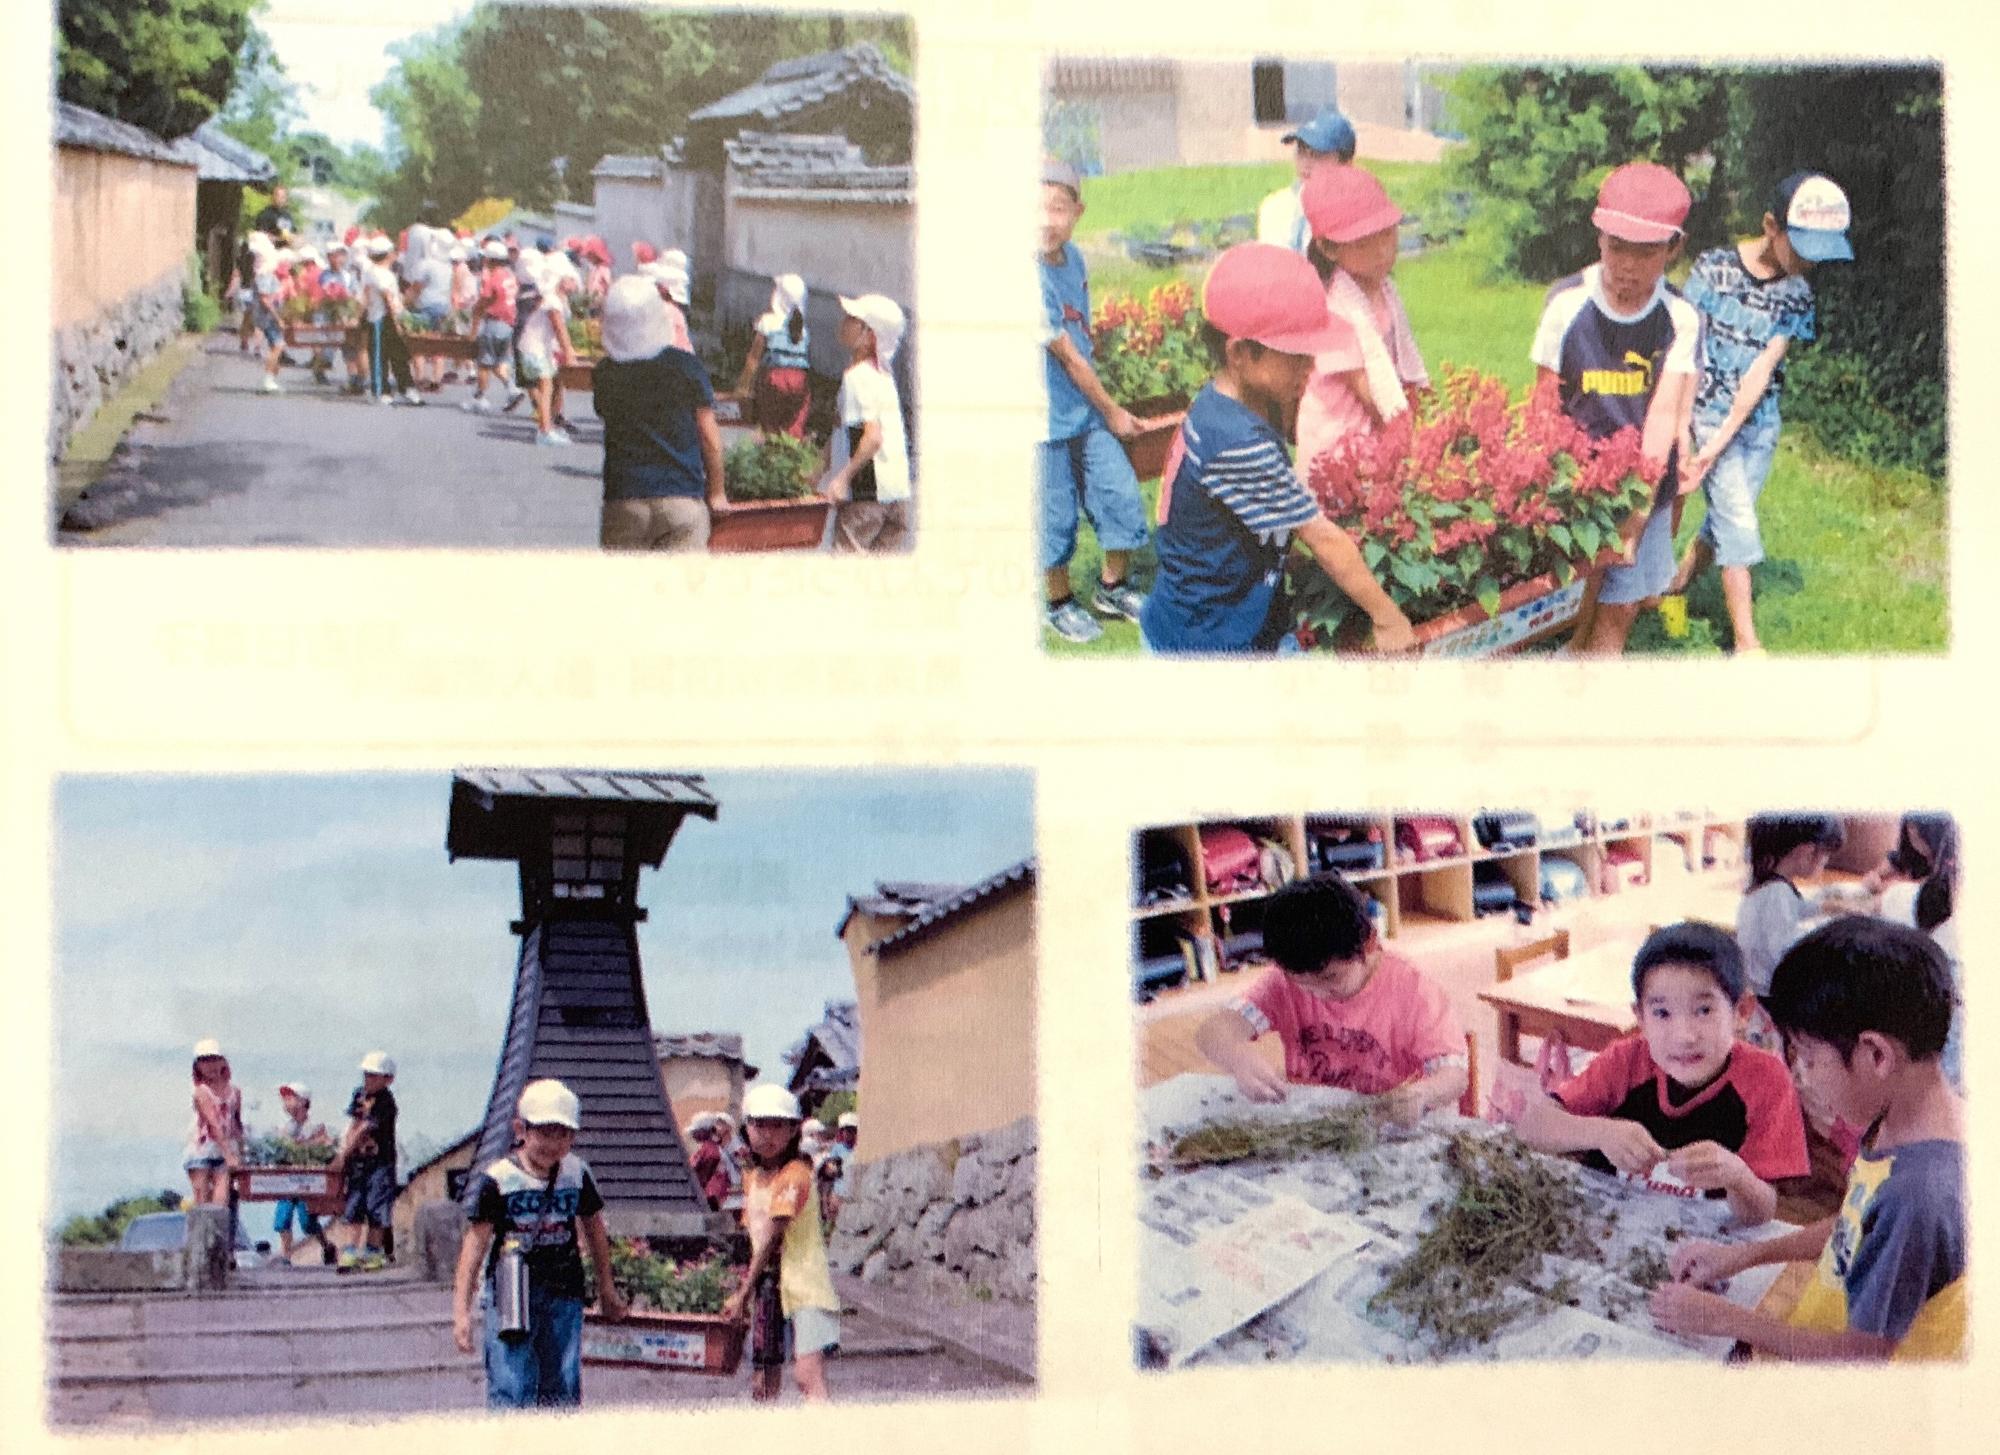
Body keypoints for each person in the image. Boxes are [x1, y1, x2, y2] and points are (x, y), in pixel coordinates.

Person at [1651, 919, 1965, 1359]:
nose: (1803, 1077)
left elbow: (1862, 1356)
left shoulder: (1917, 1196)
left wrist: (1727, 1319)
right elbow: (1854, 1227)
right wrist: (1741, 1257)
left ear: (1875, 1055)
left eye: (1811, 1058)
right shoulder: (1903, 1114)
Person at [1136, 243, 1415, 655]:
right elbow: (1322, 538)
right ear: (1241, 354)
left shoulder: (1230, 406)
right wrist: (1388, 620)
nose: (1311, 366)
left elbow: (1248, 517)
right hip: (1209, 643)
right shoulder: (1237, 442)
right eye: (1296, 356)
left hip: (1231, 617)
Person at [1667, 173, 1853, 654]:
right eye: (1803, 247)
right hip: (1708, 412)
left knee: (1731, 515)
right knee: (1740, 528)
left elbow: (1762, 372)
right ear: (1771, 225)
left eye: (1820, 252)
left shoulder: (1799, 294)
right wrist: (1693, 433)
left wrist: (1720, 442)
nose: (1810, 262)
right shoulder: (1713, 269)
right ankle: (1747, 644)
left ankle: (1681, 575)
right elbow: (1685, 349)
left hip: (1758, 424)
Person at [1514, 922, 1807, 1225]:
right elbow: (1530, 1127)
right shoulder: (1625, 1060)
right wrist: (1601, 1132)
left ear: (1741, 1012)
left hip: (1704, 1244)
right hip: (1613, 1226)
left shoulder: (1766, 1078)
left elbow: (1760, 1214)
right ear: (1640, 1017)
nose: (1684, 1036)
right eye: (1662, 1013)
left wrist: (1738, 1177)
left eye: (1704, 1011)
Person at [1529, 161, 1700, 654]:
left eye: (1646, 253)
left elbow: (1662, 420)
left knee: (1621, 608)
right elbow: (1544, 407)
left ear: (1674, 247)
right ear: (1598, 237)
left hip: (1641, 487)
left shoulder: (1679, 318)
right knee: (1578, 600)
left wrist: (1635, 521)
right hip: (1575, 488)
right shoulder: (1566, 305)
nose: (1627, 265)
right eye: (1616, 247)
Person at [1193, 875, 1465, 1122]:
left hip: (1388, 1126)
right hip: (1318, 1122)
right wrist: (1237, 1056)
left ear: (1369, 944)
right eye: (1303, 983)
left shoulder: (1414, 992)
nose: (1318, 994)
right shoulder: (1284, 982)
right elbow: (1212, 1031)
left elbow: (1454, 1077)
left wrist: (1421, 1095)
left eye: (1330, 978)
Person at [452, 1079, 628, 1408]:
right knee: (511, 1384)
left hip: (563, 1290)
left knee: (562, 1383)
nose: (554, 1143)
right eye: (545, 1132)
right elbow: (474, 1244)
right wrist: (461, 1311)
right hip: (511, 1292)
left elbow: (594, 1229)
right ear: (521, 1129)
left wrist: (606, 1286)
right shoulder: (500, 1178)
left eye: (564, 1134)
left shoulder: (576, 1173)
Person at [1040, 158, 1151, 642]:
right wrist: (1113, 411)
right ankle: (1058, 601)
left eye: (1058, 208)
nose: (1046, 219)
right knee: (1055, 514)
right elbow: (1066, 356)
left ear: (1078, 211)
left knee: (1119, 493)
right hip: (1041, 420)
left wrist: (1102, 406)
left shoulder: (1076, 260)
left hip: (1084, 413)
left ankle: (1112, 587)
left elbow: (1082, 336)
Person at [1295, 165, 1429, 473]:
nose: (1382, 249)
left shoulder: (1384, 291)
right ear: (1328, 248)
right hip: (1336, 452)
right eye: (1364, 241)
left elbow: (1399, 365)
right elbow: (1371, 393)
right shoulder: (1333, 309)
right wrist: (1414, 443)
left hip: (1375, 442)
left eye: (1387, 234)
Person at [720, 1085, 839, 1403]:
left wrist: (742, 1292)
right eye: (760, 1124)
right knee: (763, 1380)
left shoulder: (795, 1174)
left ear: (793, 1131)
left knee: (807, 1377)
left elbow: (773, 1236)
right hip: (770, 1284)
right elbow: (752, 1234)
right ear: (747, 1128)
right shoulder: (754, 1177)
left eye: (778, 1125)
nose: (768, 1134)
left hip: (805, 1285)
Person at [592, 274, 727, 550]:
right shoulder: (686, 367)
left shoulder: (605, 374)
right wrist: (717, 492)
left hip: (624, 499)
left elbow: (605, 413)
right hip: (681, 499)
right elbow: (709, 437)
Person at [1737, 813, 1849, 1038]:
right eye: (1825, 853)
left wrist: (1825, 905)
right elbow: (1784, 948)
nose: (1825, 861)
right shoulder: (1777, 893)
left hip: (1759, 989)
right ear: (1807, 852)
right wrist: (1824, 927)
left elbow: (1796, 908)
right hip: (1770, 996)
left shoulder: (1767, 886)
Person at [823, 294, 913, 553]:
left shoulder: (857, 377)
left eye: (854, 319)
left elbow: (872, 438)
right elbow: (845, 430)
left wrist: (842, 479)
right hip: (897, 496)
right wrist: (819, 470)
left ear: (869, 335)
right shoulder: (883, 375)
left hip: (865, 499)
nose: (844, 322)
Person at [1256, 107, 1357, 254]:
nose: (1306, 164)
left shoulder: (1359, 212)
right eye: (1301, 152)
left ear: (1346, 162)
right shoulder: (1277, 207)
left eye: (1317, 155)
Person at [332, 1051, 398, 1270]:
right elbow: (354, 1123)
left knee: (376, 1206)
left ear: (388, 1079)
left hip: (380, 1162)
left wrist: (343, 1155)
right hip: (358, 1162)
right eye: (366, 1075)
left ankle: (373, 1251)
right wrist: (345, 1150)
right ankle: (351, 1250)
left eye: (374, 1076)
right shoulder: (359, 1095)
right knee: (354, 1204)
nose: (368, 1080)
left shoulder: (386, 1103)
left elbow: (365, 1129)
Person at [735, 273, 813, 438]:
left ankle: (770, 456)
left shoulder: (768, 321)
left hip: (775, 378)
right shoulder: (802, 329)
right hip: (800, 380)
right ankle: (791, 457)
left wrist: (743, 385)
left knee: (770, 426)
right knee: (792, 429)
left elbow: (754, 358)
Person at [268, 1082, 336, 1263]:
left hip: (308, 1181)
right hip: (288, 1180)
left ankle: (326, 1245)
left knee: (307, 1222)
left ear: (303, 1101)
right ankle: (286, 1254)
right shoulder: (285, 1128)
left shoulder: (316, 1126)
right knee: (283, 1217)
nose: (286, 1102)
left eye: (291, 1098)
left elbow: (325, 1146)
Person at [516, 257, 579, 446]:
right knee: (546, 387)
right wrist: (569, 351)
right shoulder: (552, 301)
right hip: (534, 347)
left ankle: (547, 426)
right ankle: (545, 431)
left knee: (548, 387)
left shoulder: (558, 299)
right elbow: (559, 328)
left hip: (541, 347)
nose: (574, 283)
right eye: (570, 279)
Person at [361, 236, 421, 406]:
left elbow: (366, 294)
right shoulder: (380, 274)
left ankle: (404, 387)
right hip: (382, 318)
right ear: (388, 254)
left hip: (383, 317)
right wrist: (397, 320)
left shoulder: (373, 272)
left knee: (397, 354)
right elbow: (387, 298)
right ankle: (383, 391)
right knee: (383, 355)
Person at [184, 1038, 242, 1207]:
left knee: (220, 1202)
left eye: (214, 1059)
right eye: (204, 1061)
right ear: (198, 1066)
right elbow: (213, 1124)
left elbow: (236, 1124)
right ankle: (203, 1233)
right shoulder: (201, 1092)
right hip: (202, 1150)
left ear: (222, 1062)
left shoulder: (235, 1092)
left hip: (224, 1152)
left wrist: (241, 1152)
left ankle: (218, 1234)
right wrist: (228, 1154)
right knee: (202, 1202)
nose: (210, 1065)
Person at [464, 238, 520, 413]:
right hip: (508, 323)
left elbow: (484, 302)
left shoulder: (493, 279)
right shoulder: (510, 276)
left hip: (494, 323)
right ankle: (512, 389)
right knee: (500, 360)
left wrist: (474, 322)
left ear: (489, 259)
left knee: (484, 363)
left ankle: (479, 397)